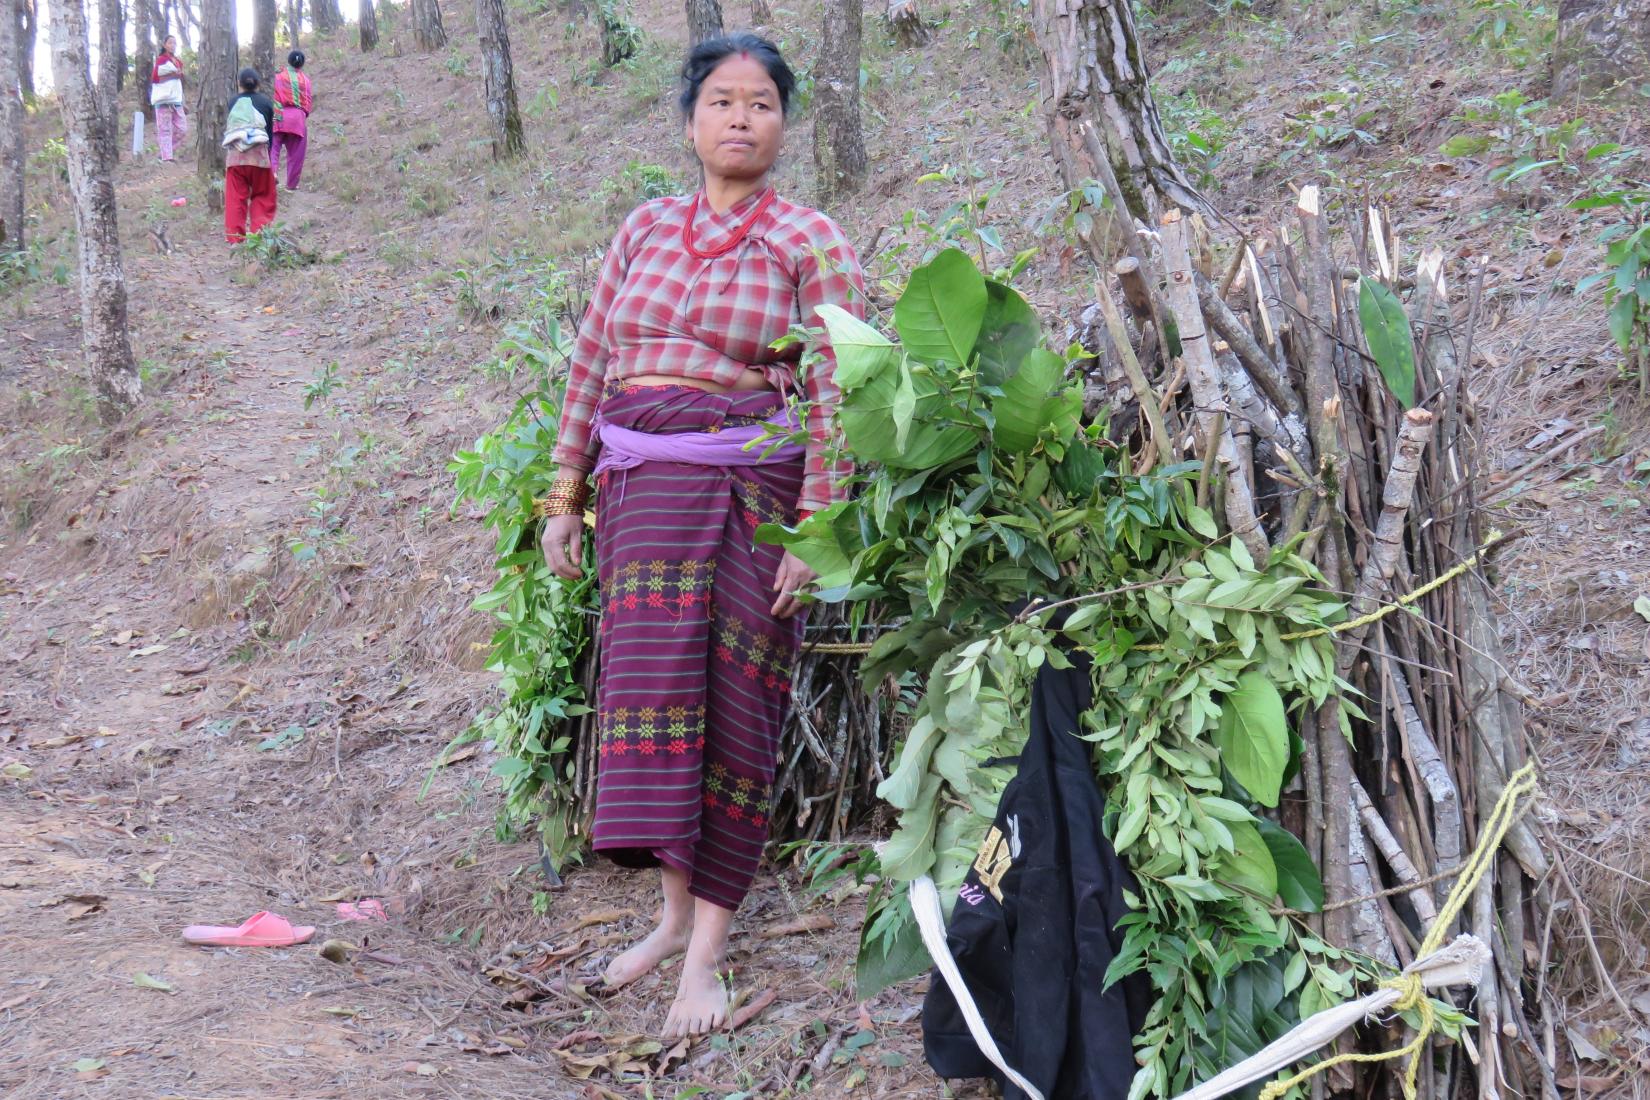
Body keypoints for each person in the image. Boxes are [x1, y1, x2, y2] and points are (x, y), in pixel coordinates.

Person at [540, 33, 865, 1039]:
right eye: (721, 100)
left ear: (783, 123)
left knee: (734, 706)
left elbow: (838, 395)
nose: (740, 118)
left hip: (750, 501)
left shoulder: (809, 240)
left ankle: (709, 958)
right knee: (653, 703)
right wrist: (562, 496)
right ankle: (669, 918)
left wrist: (816, 530)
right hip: (637, 502)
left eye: (761, 102)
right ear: (689, 119)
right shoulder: (641, 230)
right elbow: (593, 359)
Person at [222, 68, 277, 244]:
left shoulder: (233, 102)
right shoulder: (266, 103)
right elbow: (269, 132)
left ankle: (235, 240)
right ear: (258, 83)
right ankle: (259, 237)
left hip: (235, 159)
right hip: (259, 157)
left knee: (235, 198)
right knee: (263, 195)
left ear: (239, 84)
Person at [270, 50, 314, 192]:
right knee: (296, 153)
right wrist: (302, 115)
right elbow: (308, 102)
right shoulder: (306, 81)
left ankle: (272, 172)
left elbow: (274, 97)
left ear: (288, 61)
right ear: (301, 64)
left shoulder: (278, 77)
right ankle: (292, 184)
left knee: (273, 146)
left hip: (279, 114)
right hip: (297, 117)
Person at [150, 35, 188, 163]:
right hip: (163, 100)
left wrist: (183, 100)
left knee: (182, 129)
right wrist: (173, 76)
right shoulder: (161, 60)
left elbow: (180, 82)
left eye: (174, 43)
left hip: (176, 100)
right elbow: (155, 78)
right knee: (164, 129)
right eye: (170, 43)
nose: (173, 45)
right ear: (164, 45)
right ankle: (167, 157)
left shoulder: (177, 61)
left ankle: (165, 151)